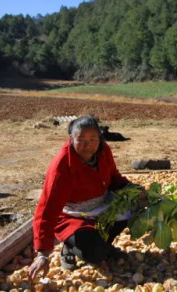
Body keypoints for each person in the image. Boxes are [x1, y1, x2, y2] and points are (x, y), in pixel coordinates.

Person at [28, 116, 138, 280]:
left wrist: (134, 191)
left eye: (93, 139)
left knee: (134, 210)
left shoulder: (103, 151)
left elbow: (114, 177)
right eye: (81, 139)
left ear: (100, 138)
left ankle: (103, 246)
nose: (88, 145)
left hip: (102, 209)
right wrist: (43, 253)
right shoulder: (62, 166)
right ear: (71, 138)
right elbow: (47, 208)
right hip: (72, 216)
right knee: (95, 253)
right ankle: (69, 246)